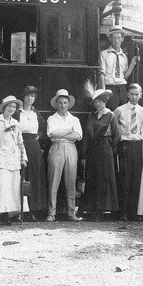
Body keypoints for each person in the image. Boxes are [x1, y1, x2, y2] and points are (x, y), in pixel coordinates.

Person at [0, 96, 28, 227]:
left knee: (10, 188)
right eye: (9, 106)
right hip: (0, 158)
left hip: (13, 159)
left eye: (14, 107)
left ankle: (5, 216)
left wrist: (23, 157)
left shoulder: (15, 123)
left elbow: (20, 142)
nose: (11, 109)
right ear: (4, 107)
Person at [82, 88, 120, 221]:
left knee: (103, 179)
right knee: (92, 178)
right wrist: (85, 153)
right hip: (92, 150)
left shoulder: (110, 116)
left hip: (105, 150)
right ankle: (91, 209)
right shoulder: (91, 116)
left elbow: (117, 135)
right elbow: (87, 135)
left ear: (105, 102)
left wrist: (109, 147)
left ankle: (102, 210)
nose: (98, 104)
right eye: (96, 102)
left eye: (100, 101)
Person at [46, 89, 83, 222]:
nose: (63, 105)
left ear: (69, 104)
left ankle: (71, 213)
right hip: (56, 147)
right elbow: (52, 133)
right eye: (60, 103)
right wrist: (69, 131)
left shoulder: (75, 119)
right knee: (53, 181)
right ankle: (51, 213)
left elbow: (78, 136)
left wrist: (60, 132)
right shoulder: (52, 118)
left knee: (71, 181)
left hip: (71, 148)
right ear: (57, 104)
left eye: (65, 103)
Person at [113, 83, 143, 221]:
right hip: (125, 145)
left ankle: (133, 212)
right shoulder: (119, 110)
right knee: (125, 179)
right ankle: (123, 213)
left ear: (141, 95)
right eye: (132, 94)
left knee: (136, 179)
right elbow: (113, 127)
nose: (134, 97)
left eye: (137, 94)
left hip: (138, 145)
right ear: (127, 94)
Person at [15, 85, 48, 221]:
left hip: (34, 146)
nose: (30, 98)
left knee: (34, 176)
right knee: (22, 175)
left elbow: (44, 128)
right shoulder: (18, 113)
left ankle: (34, 210)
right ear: (23, 97)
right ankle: (21, 211)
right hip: (21, 145)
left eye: (33, 96)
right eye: (28, 95)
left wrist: (38, 136)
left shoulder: (36, 114)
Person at [99, 25, 139, 110]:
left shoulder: (124, 57)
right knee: (113, 115)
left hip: (122, 89)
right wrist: (104, 92)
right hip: (110, 88)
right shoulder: (104, 54)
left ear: (122, 39)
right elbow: (102, 75)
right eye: (113, 38)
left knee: (122, 116)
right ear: (110, 39)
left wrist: (132, 64)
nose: (116, 40)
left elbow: (124, 76)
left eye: (118, 38)